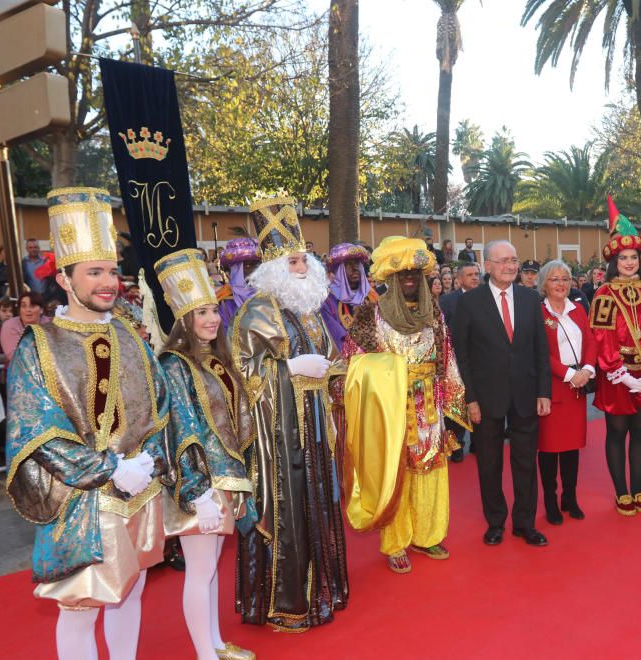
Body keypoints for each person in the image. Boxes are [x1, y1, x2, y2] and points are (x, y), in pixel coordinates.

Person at [6, 187, 171, 659]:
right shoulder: (39, 345)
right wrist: (108, 469)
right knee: (81, 607)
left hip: (140, 493)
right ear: (64, 277)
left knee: (131, 592)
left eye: (112, 271)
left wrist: (148, 461)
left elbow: (159, 404)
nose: (108, 282)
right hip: (82, 501)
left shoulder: (129, 335)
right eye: (94, 272)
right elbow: (37, 428)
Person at [232, 196, 348, 631]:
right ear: (276, 269)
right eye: (294, 262)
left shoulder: (311, 312)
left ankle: (322, 591)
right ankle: (287, 602)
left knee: (317, 502)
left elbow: (331, 357)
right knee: (289, 509)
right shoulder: (255, 313)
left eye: (304, 261)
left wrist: (336, 372)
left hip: (316, 425)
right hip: (280, 436)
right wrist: (289, 371)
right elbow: (243, 375)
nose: (303, 268)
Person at [336, 236, 470, 573]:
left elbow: (447, 356)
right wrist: (391, 379)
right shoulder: (372, 313)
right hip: (392, 408)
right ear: (392, 280)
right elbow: (353, 361)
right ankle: (395, 544)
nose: (409, 279)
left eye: (415, 274)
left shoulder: (433, 313)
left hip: (430, 408)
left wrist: (456, 398)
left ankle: (427, 535)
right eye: (403, 275)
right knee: (397, 473)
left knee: (430, 469)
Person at [155, 248, 257, 660]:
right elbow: (182, 428)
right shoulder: (175, 364)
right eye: (201, 313)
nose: (212, 319)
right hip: (199, 483)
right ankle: (205, 654)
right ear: (184, 320)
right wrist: (196, 491)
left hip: (223, 478)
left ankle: (215, 643)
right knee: (200, 570)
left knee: (211, 566)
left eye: (214, 309)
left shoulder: (215, 358)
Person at [453, 239, 552, 547]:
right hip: (486, 398)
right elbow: (462, 355)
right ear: (488, 266)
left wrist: (543, 392)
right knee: (489, 463)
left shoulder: (529, 298)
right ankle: (495, 522)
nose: (511, 266)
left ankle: (525, 524)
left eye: (514, 260)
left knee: (525, 463)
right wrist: (470, 398)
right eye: (504, 260)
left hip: (525, 394)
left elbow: (540, 349)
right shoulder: (469, 302)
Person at [590, 196, 641, 516]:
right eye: (624, 257)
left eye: (633, 257)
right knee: (617, 432)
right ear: (613, 261)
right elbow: (601, 336)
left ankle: (639, 489)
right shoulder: (604, 293)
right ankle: (622, 492)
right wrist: (620, 372)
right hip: (617, 375)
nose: (630, 262)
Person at [536, 260, 597, 525]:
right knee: (549, 449)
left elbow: (591, 340)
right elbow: (542, 353)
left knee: (572, 448)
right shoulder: (538, 313)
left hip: (577, 389)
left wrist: (587, 369)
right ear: (544, 285)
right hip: (553, 388)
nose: (560, 284)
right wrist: (571, 374)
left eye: (564, 279)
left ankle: (569, 497)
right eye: (554, 279)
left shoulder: (579, 310)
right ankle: (550, 500)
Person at [441, 262, 482, 462]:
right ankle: (456, 446)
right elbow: (442, 332)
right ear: (459, 280)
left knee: (482, 402)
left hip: (482, 363)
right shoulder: (448, 301)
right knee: (456, 405)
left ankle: (478, 442)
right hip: (455, 363)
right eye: (470, 274)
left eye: (477, 274)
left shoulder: (487, 298)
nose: (475, 278)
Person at [320, 242, 373, 351]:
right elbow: (337, 338)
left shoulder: (372, 296)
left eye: (357, 264)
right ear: (338, 271)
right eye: (348, 265)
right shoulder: (327, 301)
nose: (355, 268)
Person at [216, 237, 261, 328]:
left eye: (257, 264)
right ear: (236, 269)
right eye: (248, 265)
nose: (255, 269)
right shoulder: (225, 300)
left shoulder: (267, 294)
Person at [0, 291, 49, 362]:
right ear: (19, 310)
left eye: (32, 306)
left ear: (41, 309)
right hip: (20, 369)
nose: (28, 310)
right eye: (23, 306)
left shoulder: (49, 323)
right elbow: (13, 356)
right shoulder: (10, 325)